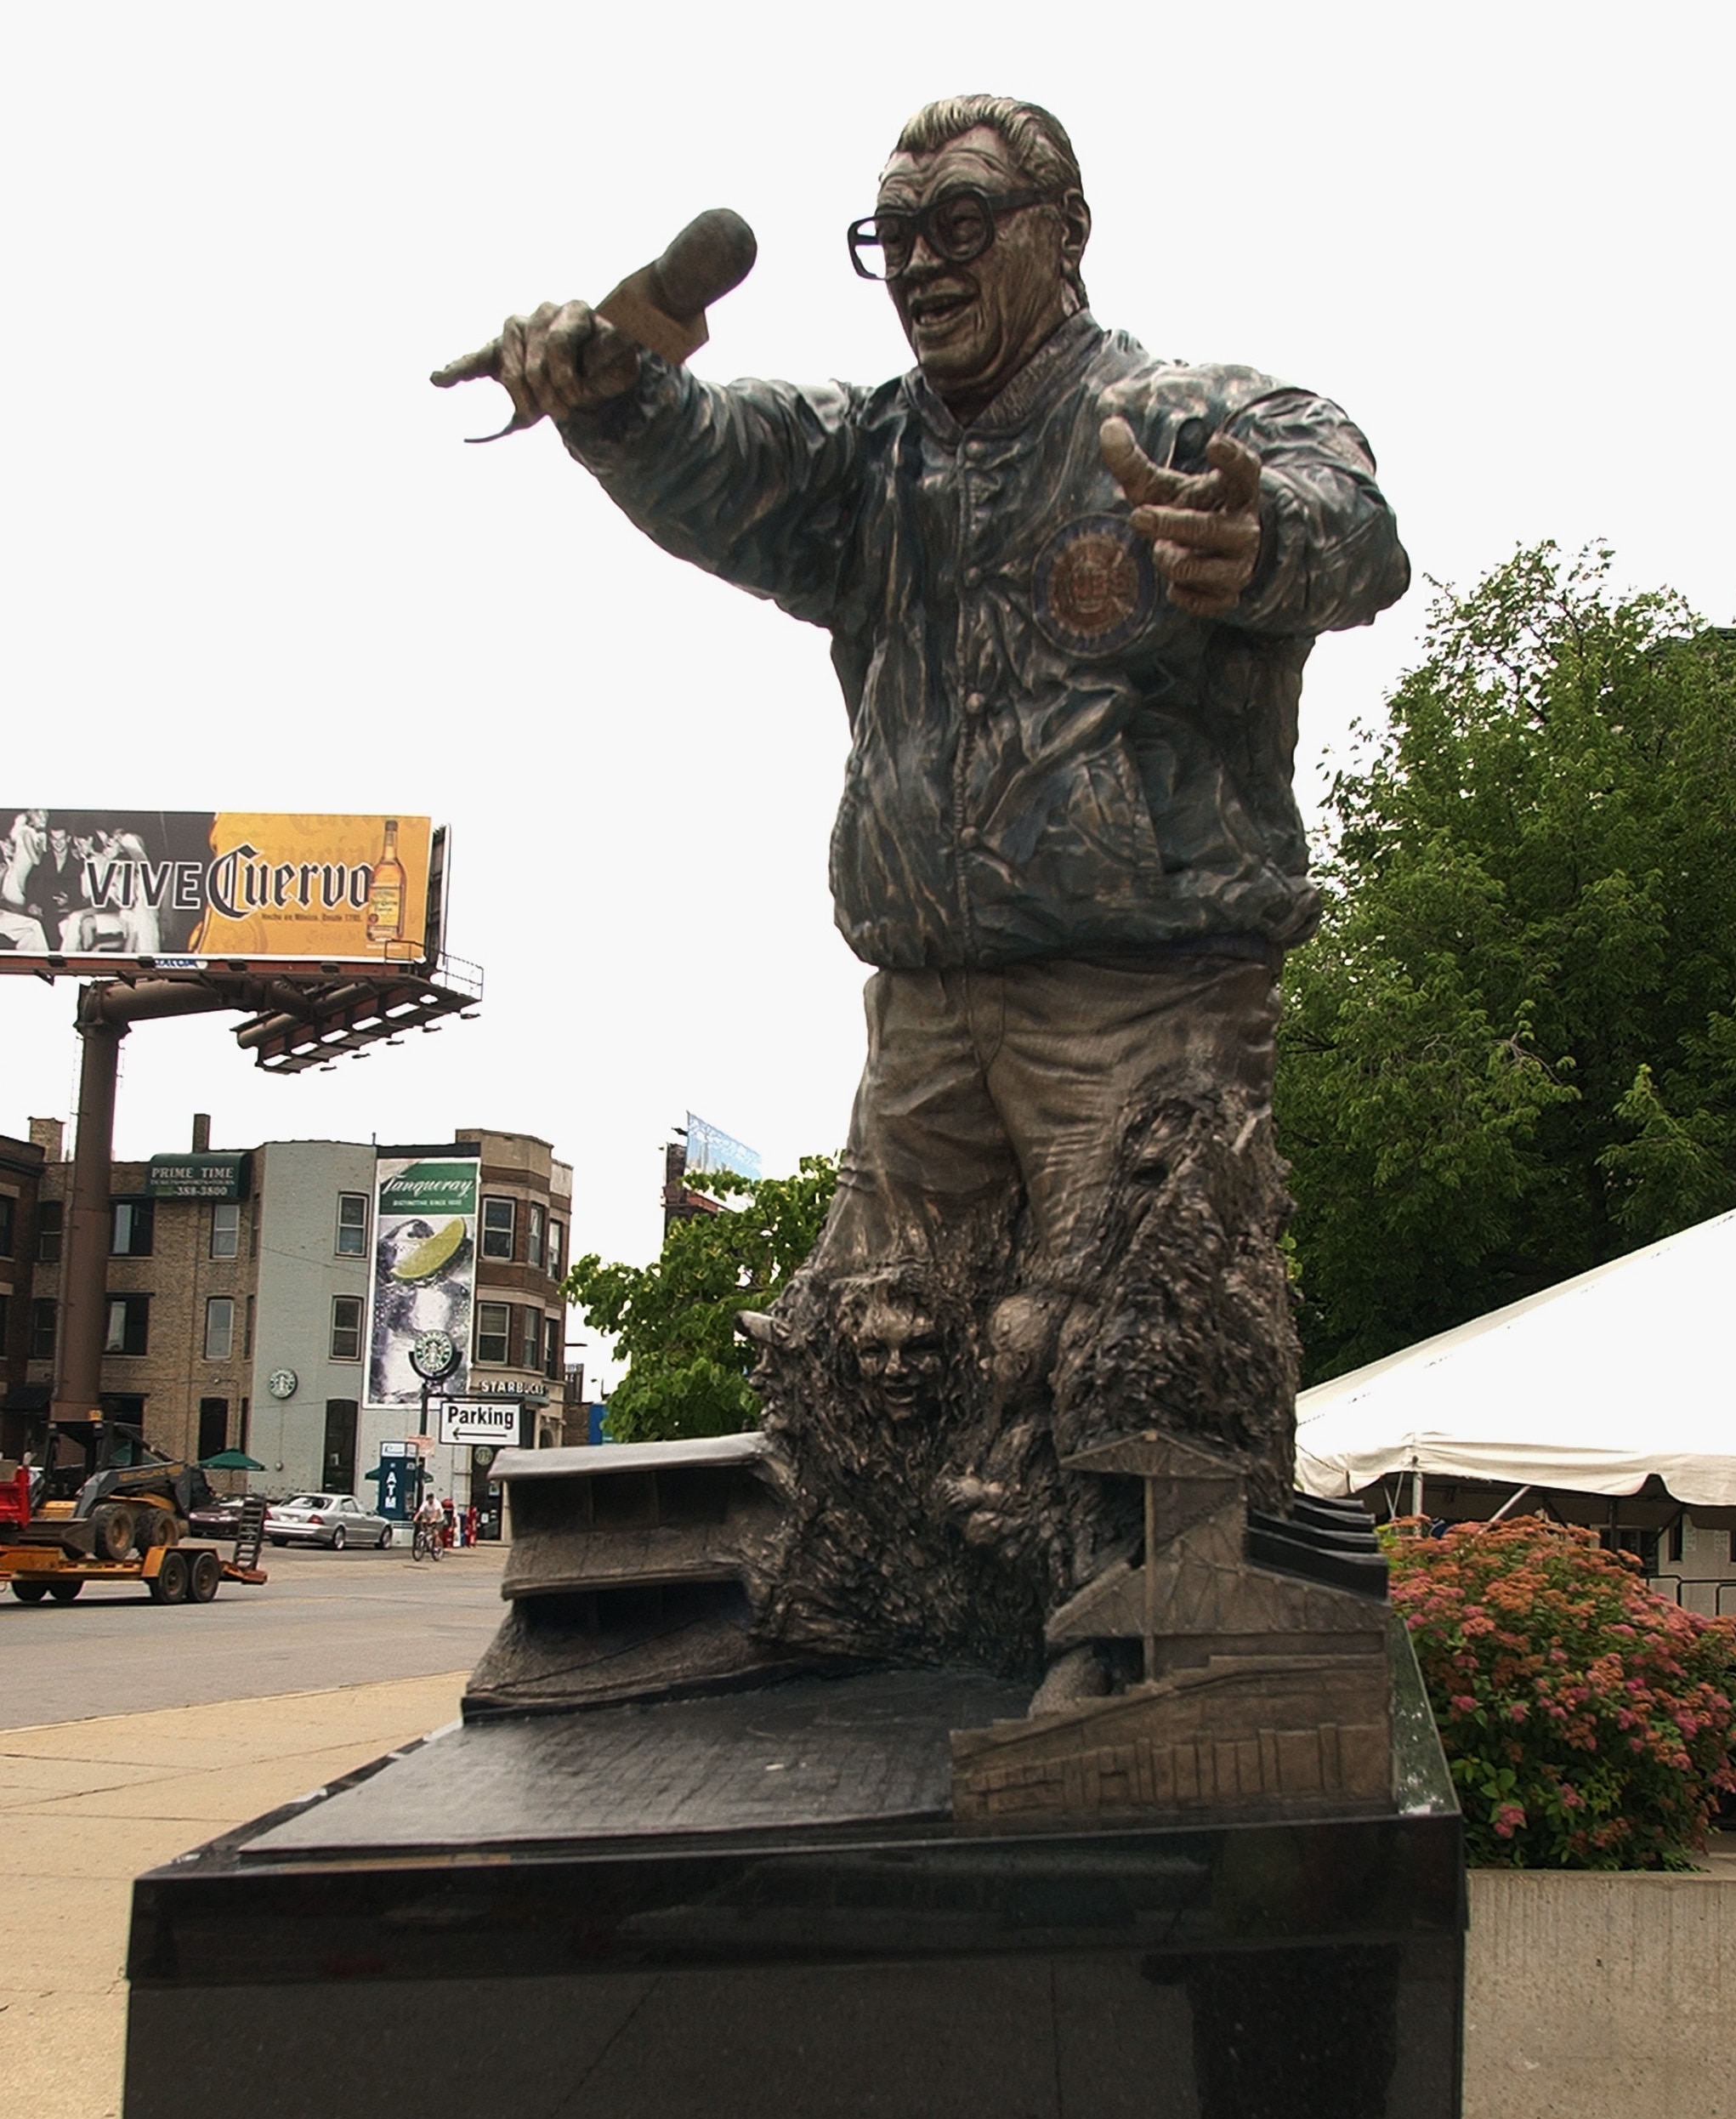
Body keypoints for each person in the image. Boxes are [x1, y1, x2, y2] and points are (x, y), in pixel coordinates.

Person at [444, 95, 1409, 1669]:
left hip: (1144, 992)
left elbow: (1355, 518)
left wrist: (1265, 541)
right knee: (882, 1329)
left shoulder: (1180, 417)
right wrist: (611, 396)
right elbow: (721, 451)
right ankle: (882, 1622)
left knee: (1145, 1311)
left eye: (960, 224)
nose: (922, 267)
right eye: (894, 238)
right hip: (928, 1007)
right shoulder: (868, 460)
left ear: (1063, 233)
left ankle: (1146, 1652)